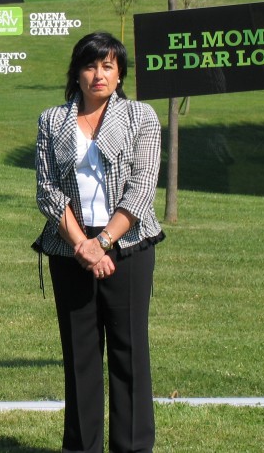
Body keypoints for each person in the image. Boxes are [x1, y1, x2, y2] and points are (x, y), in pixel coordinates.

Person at [33, 31, 164, 453]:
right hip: (70, 247)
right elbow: (47, 191)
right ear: (77, 72)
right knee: (80, 357)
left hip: (128, 245)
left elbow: (142, 189)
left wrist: (103, 243)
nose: (99, 74)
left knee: (129, 353)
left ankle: (133, 447)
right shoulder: (52, 121)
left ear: (120, 73)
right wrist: (83, 246)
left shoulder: (142, 118)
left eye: (108, 65)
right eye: (90, 65)